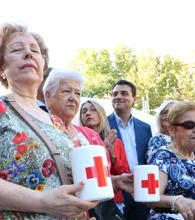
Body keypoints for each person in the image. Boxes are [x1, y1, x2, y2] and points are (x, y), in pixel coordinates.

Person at [0, 22, 99, 219]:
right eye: (17, 49)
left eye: (35, 50)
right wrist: (43, 202)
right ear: (0, 68)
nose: (28, 53)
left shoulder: (56, 123)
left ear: (43, 68)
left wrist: (115, 181)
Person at [42, 69, 134, 219]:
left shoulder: (90, 135)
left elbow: (97, 181)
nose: (73, 98)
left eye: (77, 93)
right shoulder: (38, 130)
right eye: (67, 91)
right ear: (48, 96)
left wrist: (117, 182)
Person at [108, 79, 152, 220]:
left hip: (140, 189)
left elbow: (147, 159)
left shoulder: (145, 128)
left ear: (134, 99)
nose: (118, 96)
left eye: (123, 93)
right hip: (116, 190)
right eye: (115, 94)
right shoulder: (103, 124)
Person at [80, 100, 130, 216]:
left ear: (101, 114)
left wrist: (112, 158)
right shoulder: (78, 142)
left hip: (112, 200)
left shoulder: (115, 142)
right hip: (87, 202)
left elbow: (125, 173)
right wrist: (104, 150)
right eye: (84, 111)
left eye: (93, 109)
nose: (88, 113)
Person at [147, 101, 195, 220]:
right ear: (172, 129)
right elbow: (151, 197)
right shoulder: (163, 155)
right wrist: (175, 201)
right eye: (189, 125)